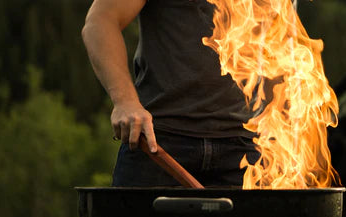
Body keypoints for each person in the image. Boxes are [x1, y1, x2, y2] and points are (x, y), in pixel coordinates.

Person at [82, 0, 261, 187]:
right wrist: (125, 102)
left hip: (246, 149)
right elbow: (101, 22)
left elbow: (281, 48)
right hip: (157, 142)